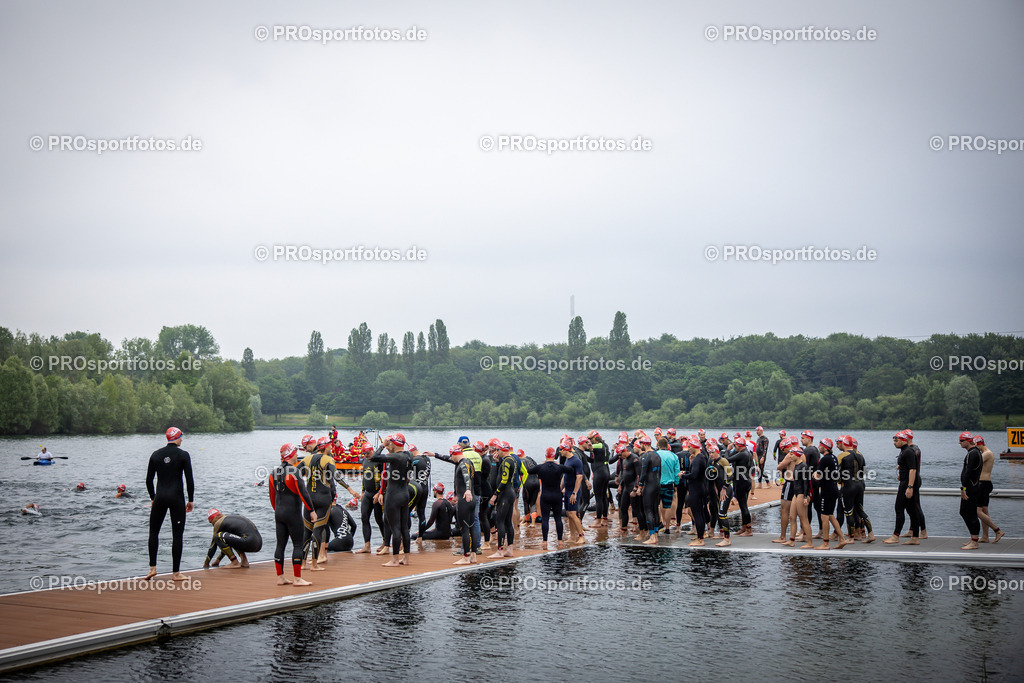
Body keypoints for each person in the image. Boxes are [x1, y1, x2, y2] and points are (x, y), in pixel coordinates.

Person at [145, 427, 195, 581]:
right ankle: (176, 573)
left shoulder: (155, 454)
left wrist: (153, 497)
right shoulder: (183, 455)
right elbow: (189, 480)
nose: (182, 439)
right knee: (177, 535)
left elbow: (148, 480)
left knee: (154, 532)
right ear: (176, 437)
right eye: (181, 437)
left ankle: (152, 568)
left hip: (160, 498)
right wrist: (191, 499)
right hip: (176, 499)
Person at [270, 443, 316, 586]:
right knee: (298, 544)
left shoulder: (274, 472)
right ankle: (297, 579)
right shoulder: (294, 472)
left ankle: (281, 577)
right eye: (295, 453)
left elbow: (272, 496)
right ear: (291, 454)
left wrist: (277, 511)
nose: (297, 455)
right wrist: (312, 511)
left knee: (280, 545)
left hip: (279, 513)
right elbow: (303, 493)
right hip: (293, 514)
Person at [371, 433, 414, 567]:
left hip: (393, 496)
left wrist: (382, 445)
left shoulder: (395, 457)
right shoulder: (409, 455)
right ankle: (406, 558)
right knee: (404, 528)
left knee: (395, 528)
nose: (389, 445)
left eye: (390, 443)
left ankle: (395, 560)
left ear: (394, 443)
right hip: (404, 494)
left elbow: (374, 457)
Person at [300, 437, 337, 570]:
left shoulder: (307, 459)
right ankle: (315, 563)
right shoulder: (328, 459)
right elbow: (335, 478)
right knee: (318, 530)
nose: (331, 448)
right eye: (330, 446)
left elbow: (294, 475)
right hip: (323, 498)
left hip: (309, 498)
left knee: (307, 531)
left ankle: (303, 563)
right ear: (326, 447)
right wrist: (349, 490)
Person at [884, 431, 922, 545]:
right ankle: (915, 538)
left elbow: (913, 469)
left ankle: (896, 536)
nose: (894, 443)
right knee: (912, 510)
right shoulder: (904, 451)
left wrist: (910, 487)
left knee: (899, 508)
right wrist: (901, 473)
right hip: (906, 481)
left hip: (907, 484)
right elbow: (907, 467)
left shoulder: (908, 452)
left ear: (903, 440)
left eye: (896, 441)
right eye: (893, 441)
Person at [812, 438, 848, 550]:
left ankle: (826, 544)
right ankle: (842, 539)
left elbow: (818, 475)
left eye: (820, 445)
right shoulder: (834, 458)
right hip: (834, 489)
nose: (819, 447)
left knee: (824, 517)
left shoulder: (824, 459)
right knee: (831, 515)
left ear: (825, 447)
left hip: (826, 491)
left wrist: (813, 475)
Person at [837, 435, 874, 543]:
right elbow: (864, 471)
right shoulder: (860, 455)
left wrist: (840, 481)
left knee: (848, 511)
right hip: (860, 484)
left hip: (848, 486)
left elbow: (836, 472)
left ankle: (851, 537)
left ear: (844, 444)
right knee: (860, 510)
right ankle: (870, 534)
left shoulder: (842, 455)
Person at [488, 442, 521, 558]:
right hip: (511, 492)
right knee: (507, 522)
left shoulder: (507, 462)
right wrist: (498, 462)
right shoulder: (511, 460)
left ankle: (500, 551)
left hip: (505, 494)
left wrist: (495, 494)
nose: (496, 452)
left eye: (498, 450)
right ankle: (509, 549)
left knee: (500, 521)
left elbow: (504, 480)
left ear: (503, 450)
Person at [355, 441, 387, 555]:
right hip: (367, 494)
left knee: (379, 519)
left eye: (368, 453)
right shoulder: (364, 460)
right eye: (364, 454)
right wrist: (362, 491)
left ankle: (385, 542)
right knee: (364, 518)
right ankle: (367, 546)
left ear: (372, 451)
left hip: (377, 494)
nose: (366, 455)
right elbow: (365, 477)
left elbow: (385, 478)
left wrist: (379, 493)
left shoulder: (379, 460)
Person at [449, 445, 478, 565]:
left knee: (464, 529)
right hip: (472, 499)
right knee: (472, 527)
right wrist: (435, 455)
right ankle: (473, 556)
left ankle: (466, 557)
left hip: (465, 499)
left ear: (454, 454)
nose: (450, 458)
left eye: (451, 456)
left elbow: (466, 477)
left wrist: (467, 490)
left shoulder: (462, 465)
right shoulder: (468, 462)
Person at [974, 435, 1004, 543]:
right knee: (984, 511)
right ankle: (985, 536)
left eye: (976, 446)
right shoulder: (985, 453)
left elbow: (975, 462)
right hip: (984, 484)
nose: (975, 449)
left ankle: (997, 530)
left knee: (977, 511)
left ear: (979, 444)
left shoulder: (987, 453)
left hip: (983, 484)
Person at [679, 437, 708, 546]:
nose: (688, 449)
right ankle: (700, 535)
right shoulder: (700, 457)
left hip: (696, 490)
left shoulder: (697, 459)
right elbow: (696, 472)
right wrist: (686, 472)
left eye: (689, 447)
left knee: (697, 514)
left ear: (695, 447)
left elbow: (694, 475)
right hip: (699, 488)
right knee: (699, 513)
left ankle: (700, 539)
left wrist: (683, 476)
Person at [635, 435, 662, 545]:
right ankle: (655, 534)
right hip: (657, 485)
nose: (640, 446)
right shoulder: (657, 454)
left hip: (649, 486)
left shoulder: (646, 456)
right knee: (655, 510)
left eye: (641, 444)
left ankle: (652, 537)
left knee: (648, 510)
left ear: (644, 444)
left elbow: (643, 473)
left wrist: (640, 487)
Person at [958, 432, 983, 550]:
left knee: (970, 513)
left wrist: (963, 488)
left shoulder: (972, 454)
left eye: (961, 441)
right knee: (964, 512)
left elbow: (968, 472)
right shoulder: (975, 452)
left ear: (968, 441)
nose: (959, 443)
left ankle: (974, 541)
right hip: (973, 486)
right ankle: (973, 538)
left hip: (970, 488)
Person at [560, 437, 587, 544]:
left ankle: (581, 536)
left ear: (566, 449)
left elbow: (579, 478)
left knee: (572, 514)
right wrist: (560, 488)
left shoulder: (576, 461)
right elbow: (564, 476)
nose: (560, 451)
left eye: (561, 449)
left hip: (573, 492)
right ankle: (572, 536)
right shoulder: (567, 460)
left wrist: (574, 493)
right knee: (568, 514)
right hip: (567, 491)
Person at [726, 437, 754, 537]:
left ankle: (749, 530)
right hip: (745, 481)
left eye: (735, 446)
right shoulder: (746, 453)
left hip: (741, 482)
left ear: (739, 446)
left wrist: (728, 450)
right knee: (743, 506)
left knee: (743, 506)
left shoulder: (742, 454)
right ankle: (744, 527)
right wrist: (733, 449)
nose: (734, 447)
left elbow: (727, 459)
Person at [587, 432, 613, 527]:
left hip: (599, 473)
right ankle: (604, 518)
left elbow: (585, 448)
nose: (589, 441)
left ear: (595, 438)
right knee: (603, 496)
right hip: (605, 471)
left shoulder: (598, 445)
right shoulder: (605, 445)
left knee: (598, 497)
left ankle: (598, 521)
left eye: (590, 439)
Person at [656, 438, 679, 534]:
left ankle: (660, 522)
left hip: (657, 484)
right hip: (669, 484)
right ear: (667, 445)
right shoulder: (674, 456)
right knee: (668, 506)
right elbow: (677, 472)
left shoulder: (655, 454)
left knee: (657, 505)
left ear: (658, 446)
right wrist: (676, 484)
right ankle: (667, 528)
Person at [520, 452, 541, 525]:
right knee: (533, 503)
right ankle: (533, 522)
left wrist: (520, 486)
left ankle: (527, 521)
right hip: (536, 482)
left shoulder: (519, 461)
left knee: (526, 502)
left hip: (528, 482)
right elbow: (538, 469)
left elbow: (520, 475)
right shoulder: (530, 459)